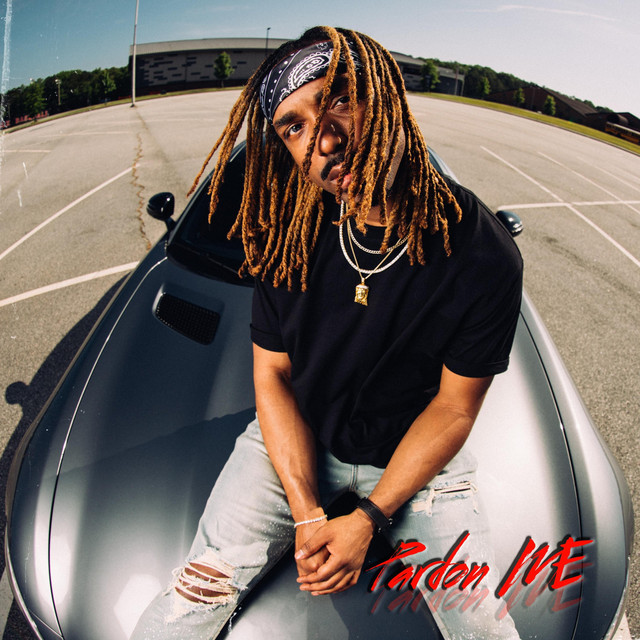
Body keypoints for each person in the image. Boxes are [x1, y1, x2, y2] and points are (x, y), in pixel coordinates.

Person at [131, 26, 523, 639]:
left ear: (386, 96)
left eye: (340, 100)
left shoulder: (482, 254)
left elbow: (453, 407)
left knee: (484, 627)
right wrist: (307, 514)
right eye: (294, 126)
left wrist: (368, 519)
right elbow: (273, 372)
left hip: (416, 457)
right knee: (188, 603)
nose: (325, 140)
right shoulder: (287, 233)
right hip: (297, 438)